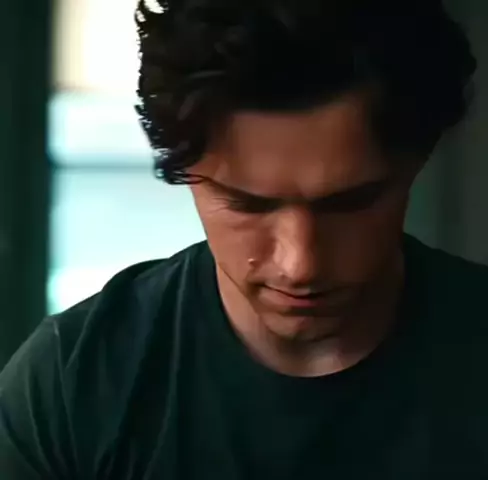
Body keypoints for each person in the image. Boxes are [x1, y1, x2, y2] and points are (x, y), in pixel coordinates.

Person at [1, 0, 487, 478]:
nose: (300, 265)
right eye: (247, 205)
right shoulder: (73, 387)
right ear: (187, 174)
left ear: (417, 164)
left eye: (350, 203)